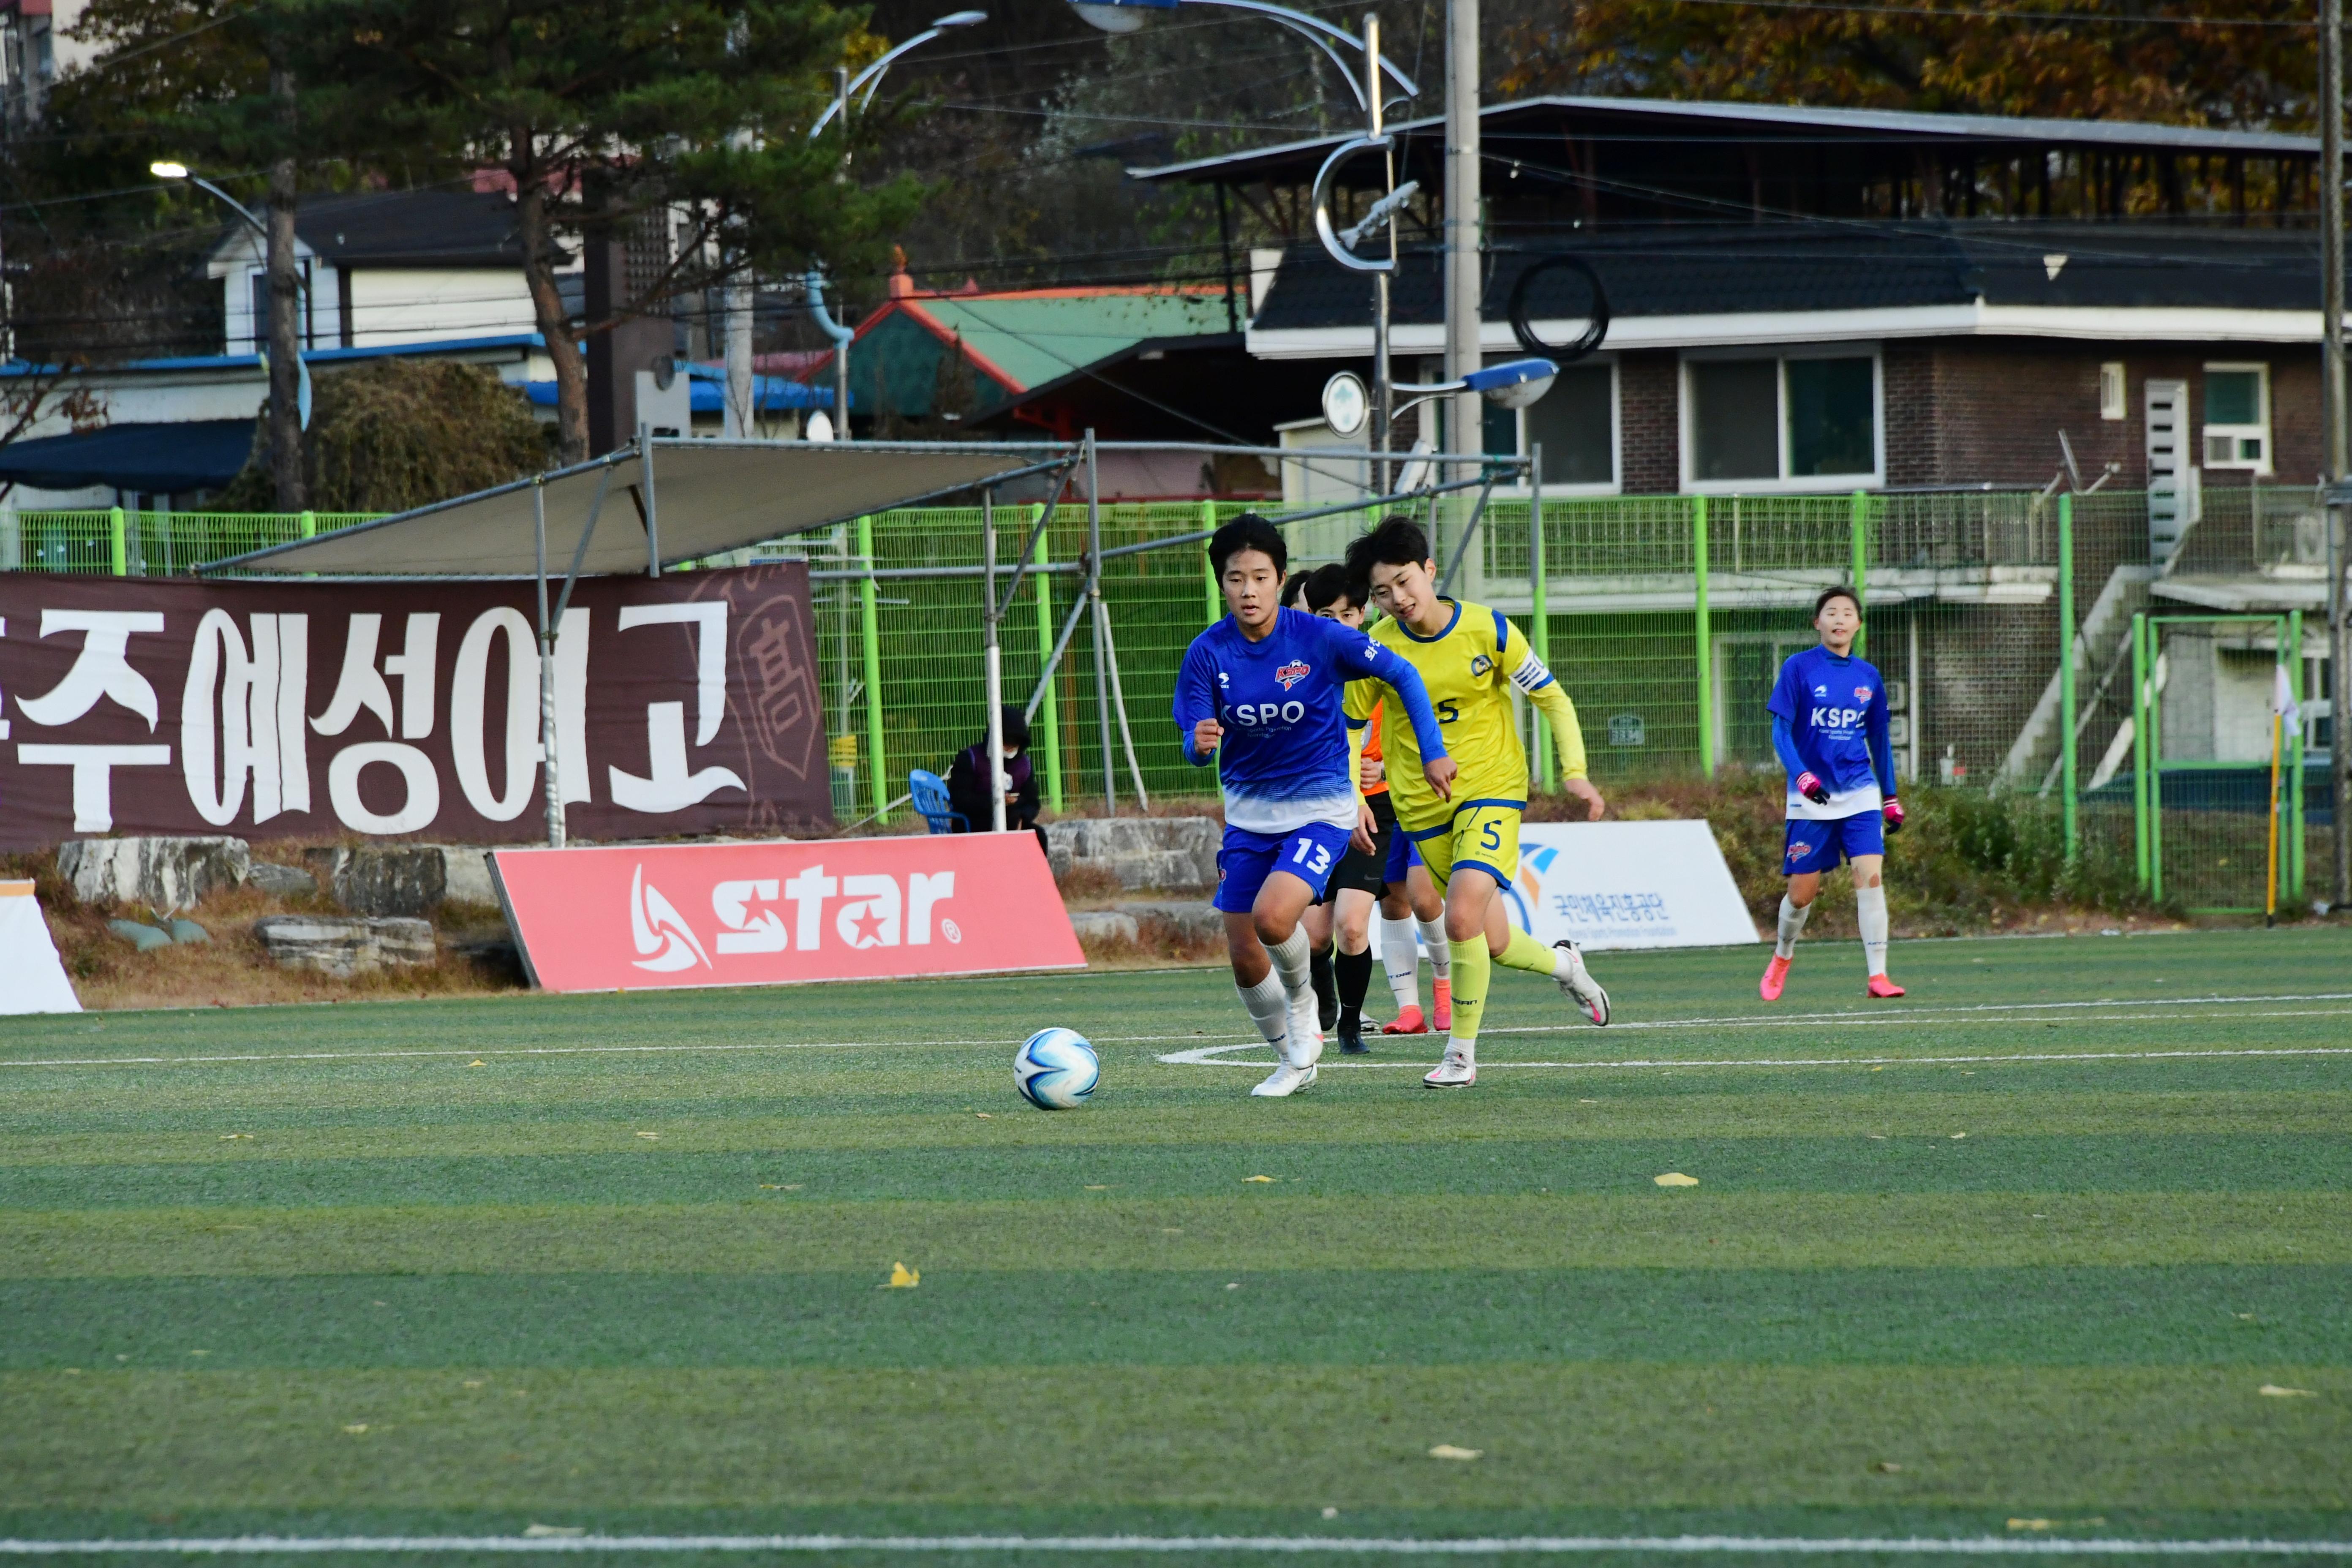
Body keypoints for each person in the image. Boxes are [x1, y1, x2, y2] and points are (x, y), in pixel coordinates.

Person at [1173, 514, 1456, 1098]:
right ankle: (1291, 1059)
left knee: (1275, 918)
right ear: (1221, 585)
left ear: (1280, 578)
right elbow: (1193, 729)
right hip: (1249, 818)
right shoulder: (1207, 652)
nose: (1248, 590)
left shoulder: (1320, 638)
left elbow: (1402, 673)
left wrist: (1432, 752)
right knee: (1244, 955)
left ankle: (1306, 1007)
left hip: (1322, 808)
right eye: (1234, 579)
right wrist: (1197, 744)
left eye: (1259, 576)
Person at [1342, 516, 1611, 1089]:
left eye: (1405, 582)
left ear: (1430, 571)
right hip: (1420, 808)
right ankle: (1568, 965)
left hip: (1492, 790)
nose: (1397, 599)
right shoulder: (1375, 648)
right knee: (1491, 940)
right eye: (1382, 592)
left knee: (1458, 916)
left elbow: (1553, 698)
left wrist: (1576, 773)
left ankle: (1460, 1056)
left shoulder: (1489, 631)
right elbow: (1350, 724)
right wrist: (1351, 795)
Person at [1297, 561, 1450, 1054]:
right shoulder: (1297, 673)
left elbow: (1415, 731)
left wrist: (1380, 775)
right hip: (1316, 811)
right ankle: (1320, 1008)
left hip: (1375, 813)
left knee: (1354, 924)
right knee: (1314, 937)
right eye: (1326, 614)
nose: (1339, 624)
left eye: (1348, 613)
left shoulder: (1382, 666)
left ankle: (1348, 1026)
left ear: (1363, 615)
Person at [1760, 585, 1905, 1001]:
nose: (1839, 619)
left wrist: (1890, 797)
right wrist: (1802, 776)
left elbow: (1879, 740)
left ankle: (1878, 976)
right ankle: (1783, 955)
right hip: (1811, 798)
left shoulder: (1868, 677)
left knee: (1870, 878)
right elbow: (1780, 730)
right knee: (1801, 894)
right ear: (1817, 622)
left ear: (1858, 624)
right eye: (1830, 613)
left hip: (1859, 793)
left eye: (1847, 613)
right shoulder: (1798, 668)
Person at [946, 706, 1048, 860]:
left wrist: (1020, 811)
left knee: (1038, 836)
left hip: (1014, 821)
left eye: (1016, 742)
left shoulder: (1024, 765)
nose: (1011, 747)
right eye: (1007, 741)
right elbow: (960, 799)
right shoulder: (971, 758)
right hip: (975, 822)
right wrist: (995, 802)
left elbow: (1032, 802)